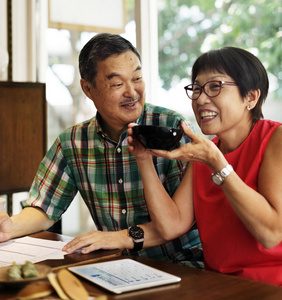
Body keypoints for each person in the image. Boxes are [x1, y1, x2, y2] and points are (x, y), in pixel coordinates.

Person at [0, 33, 203, 268]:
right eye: (117, 84)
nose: (132, 92)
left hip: (184, 265)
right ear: (88, 88)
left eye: (137, 78)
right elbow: (44, 208)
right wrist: (11, 227)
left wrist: (117, 237)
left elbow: (181, 222)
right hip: (117, 266)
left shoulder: (172, 128)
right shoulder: (72, 142)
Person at [127, 46, 282, 286]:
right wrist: (143, 158)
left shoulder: (275, 139)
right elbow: (171, 225)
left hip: (269, 288)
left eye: (214, 87)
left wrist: (217, 162)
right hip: (217, 286)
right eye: (197, 89)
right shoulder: (206, 152)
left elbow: (271, 234)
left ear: (250, 97)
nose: (200, 99)